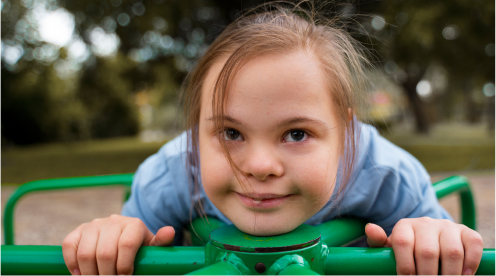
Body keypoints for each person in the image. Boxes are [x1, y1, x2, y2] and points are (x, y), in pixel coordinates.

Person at [62, 2, 483, 276]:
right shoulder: (171, 174)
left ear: (346, 132)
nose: (259, 165)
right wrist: (116, 238)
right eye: (230, 133)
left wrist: (433, 237)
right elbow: (128, 238)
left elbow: (438, 244)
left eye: (296, 133)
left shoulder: (389, 173)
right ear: (196, 131)